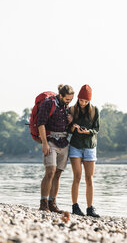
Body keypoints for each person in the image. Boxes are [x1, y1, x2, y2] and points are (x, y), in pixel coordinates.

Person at [38, 84, 74, 213]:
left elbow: (65, 126)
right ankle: (43, 203)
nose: (69, 102)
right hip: (50, 141)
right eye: (67, 99)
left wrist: (70, 120)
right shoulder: (48, 103)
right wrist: (44, 143)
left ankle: (53, 203)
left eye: (71, 99)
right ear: (60, 95)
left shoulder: (66, 107)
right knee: (50, 172)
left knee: (58, 174)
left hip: (64, 143)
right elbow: (40, 124)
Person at [68, 84, 100, 217]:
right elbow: (67, 129)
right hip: (75, 146)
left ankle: (90, 208)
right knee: (77, 176)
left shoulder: (94, 110)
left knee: (89, 178)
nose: (83, 103)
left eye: (86, 101)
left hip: (90, 147)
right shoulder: (72, 109)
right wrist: (73, 127)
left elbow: (96, 129)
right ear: (78, 98)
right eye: (81, 100)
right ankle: (75, 207)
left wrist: (88, 131)